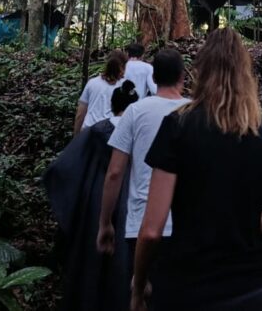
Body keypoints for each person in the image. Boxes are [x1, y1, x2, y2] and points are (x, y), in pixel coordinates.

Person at [133, 28, 262, 311]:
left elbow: (151, 231)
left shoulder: (178, 127)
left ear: (201, 70)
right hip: (252, 293)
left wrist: (138, 286)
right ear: (246, 73)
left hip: (185, 290)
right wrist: (259, 221)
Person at [43, 81, 140, 310]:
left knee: (91, 254)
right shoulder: (138, 131)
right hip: (129, 198)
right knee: (123, 256)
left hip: (96, 197)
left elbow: (67, 165)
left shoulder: (98, 131)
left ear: (112, 104)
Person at [96, 48, 188, 264]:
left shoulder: (135, 112)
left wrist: (105, 222)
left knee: (140, 292)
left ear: (154, 77)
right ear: (183, 76)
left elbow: (115, 172)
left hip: (142, 222)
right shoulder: (195, 112)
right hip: (188, 225)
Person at [74, 49, 127, 133]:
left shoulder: (92, 83)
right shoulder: (125, 86)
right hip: (110, 133)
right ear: (123, 67)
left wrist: (76, 138)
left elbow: (80, 114)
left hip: (88, 131)